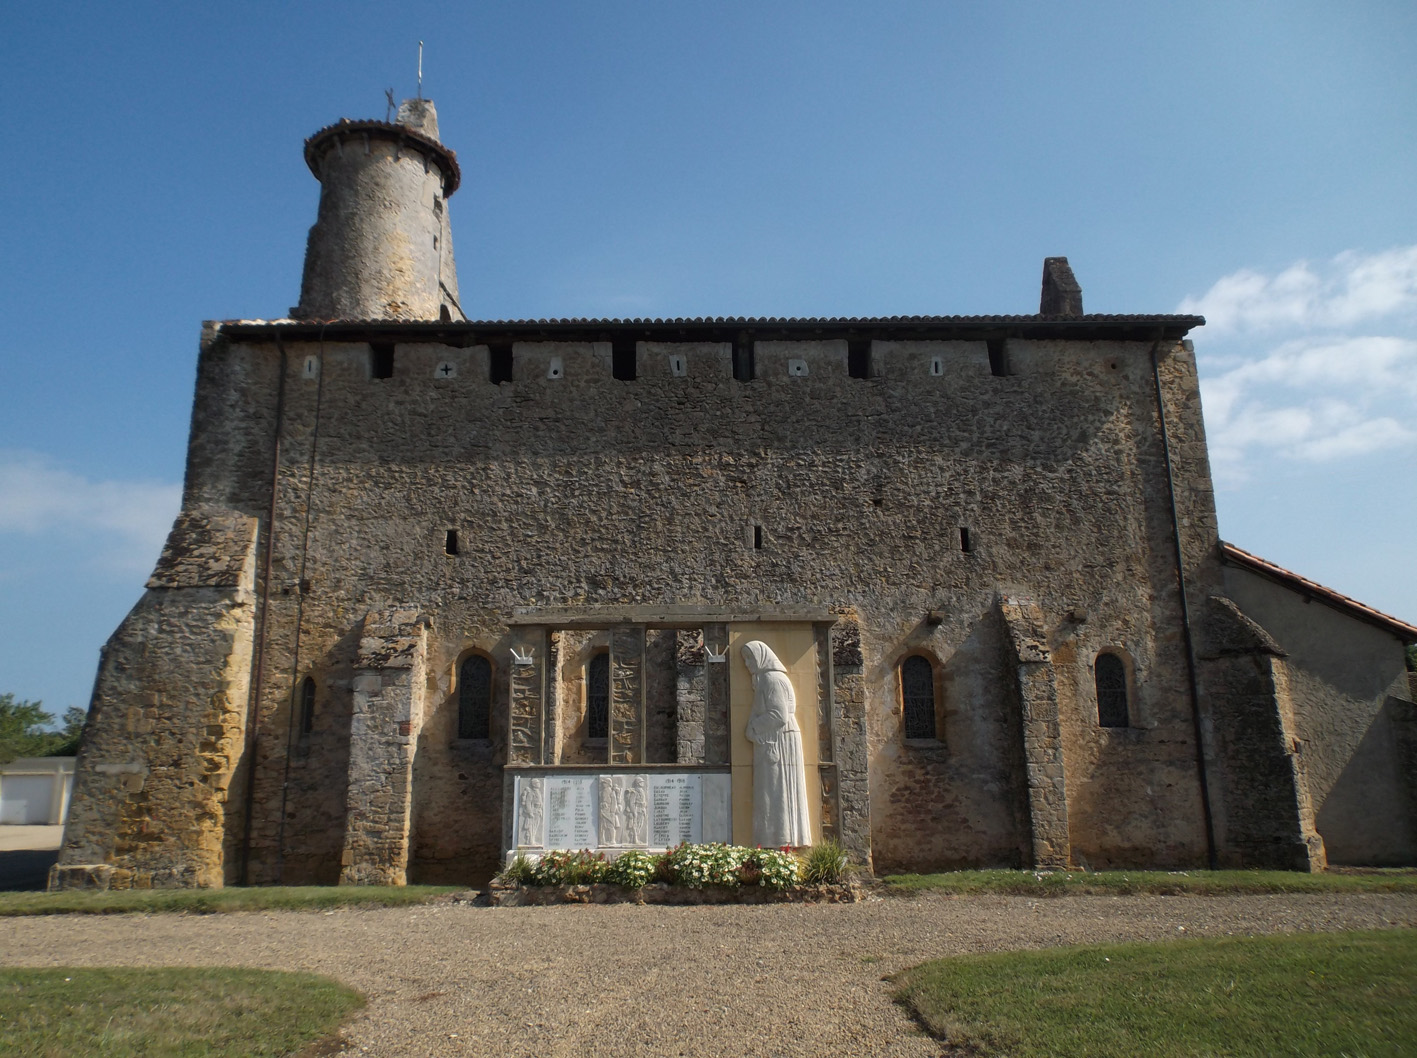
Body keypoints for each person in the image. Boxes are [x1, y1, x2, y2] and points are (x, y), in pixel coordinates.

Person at [742, 640, 812, 847]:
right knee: (769, 790)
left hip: (781, 738)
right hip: (770, 738)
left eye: (749, 658)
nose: (747, 663)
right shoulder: (763, 680)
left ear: (761, 657)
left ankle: (783, 839)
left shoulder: (773, 679)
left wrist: (754, 726)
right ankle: (772, 840)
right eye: (745, 659)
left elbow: (779, 714)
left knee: (778, 789)